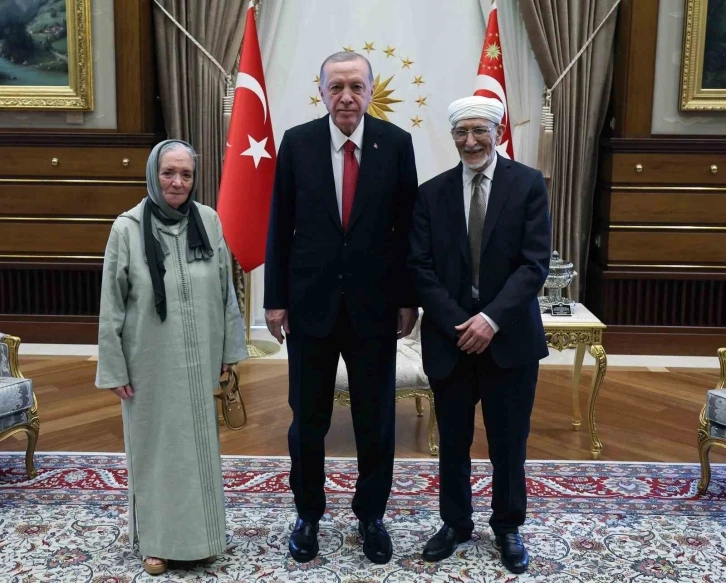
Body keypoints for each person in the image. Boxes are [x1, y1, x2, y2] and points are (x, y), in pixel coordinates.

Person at [264, 51, 418, 565]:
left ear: (371, 91)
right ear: (322, 91)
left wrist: (407, 298)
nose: (346, 96)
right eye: (337, 87)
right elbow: (279, 225)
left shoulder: (396, 144)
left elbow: (406, 229)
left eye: (356, 86)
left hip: (375, 308)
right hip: (310, 306)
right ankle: (308, 513)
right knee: (307, 421)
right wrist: (275, 300)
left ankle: (371, 515)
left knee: (377, 421)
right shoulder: (297, 142)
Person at [407, 96, 551, 574]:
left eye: (479, 131)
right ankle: (455, 523)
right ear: (453, 137)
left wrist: (490, 320)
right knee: (453, 442)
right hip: (451, 340)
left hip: (509, 340)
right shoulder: (431, 193)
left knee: (509, 443)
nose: (470, 141)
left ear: (498, 132)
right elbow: (420, 268)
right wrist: (459, 324)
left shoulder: (528, 184)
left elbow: (534, 264)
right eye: (461, 132)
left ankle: (507, 526)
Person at [95, 139, 247, 576]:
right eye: (168, 172)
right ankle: (157, 542)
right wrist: (114, 367)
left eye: (186, 174)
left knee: (198, 450)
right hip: (148, 364)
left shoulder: (208, 221)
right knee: (156, 451)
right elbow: (111, 305)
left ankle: (203, 538)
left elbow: (226, 291)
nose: (177, 182)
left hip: (201, 361)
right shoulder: (126, 229)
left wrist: (228, 351)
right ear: (152, 174)